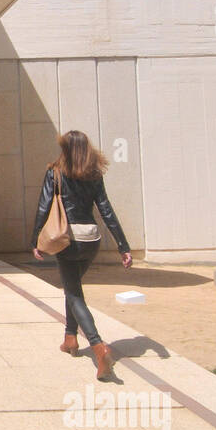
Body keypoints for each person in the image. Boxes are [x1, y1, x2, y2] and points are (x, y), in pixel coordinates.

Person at [29, 130, 133, 382]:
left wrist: (35, 240)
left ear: (64, 148)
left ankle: (99, 348)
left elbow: (44, 206)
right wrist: (122, 245)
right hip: (91, 240)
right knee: (72, 287)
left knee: (74, 293)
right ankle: (70, 338)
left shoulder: (55, 172)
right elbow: (106, 209)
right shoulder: (94, 174)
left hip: (66, 240)